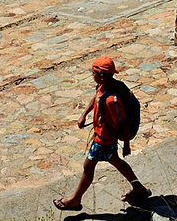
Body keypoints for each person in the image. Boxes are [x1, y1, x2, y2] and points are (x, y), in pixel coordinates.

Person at [52, 56, 150, 213]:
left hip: (104, 139)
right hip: (102, 137)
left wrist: (126, 145)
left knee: (88, 166)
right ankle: (139, 188)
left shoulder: (112, 100)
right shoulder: (103, 86)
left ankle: (75, 200)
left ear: (102, 75)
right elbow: (96, 98)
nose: (92, 75)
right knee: (115, 161)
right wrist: (84, 114)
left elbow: (123, 122)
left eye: (94, 73)